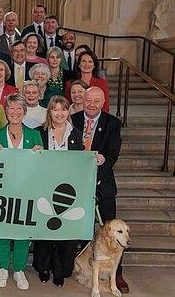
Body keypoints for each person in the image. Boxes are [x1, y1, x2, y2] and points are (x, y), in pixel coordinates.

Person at [71, 86, 128, 293]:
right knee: (77, 224)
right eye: (88, 100)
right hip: (77, 184)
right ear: (82, 100)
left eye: (96, 101)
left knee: (111, 230)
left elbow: (112, 154)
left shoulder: (112, 123)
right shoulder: (73, 119)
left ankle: (117, 273)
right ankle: (82, 265)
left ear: (103, 103)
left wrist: (97, 175)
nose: (92, 104)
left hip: (103, 183)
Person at [0, 93, 43, 291]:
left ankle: (19, 269)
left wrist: (40, 153)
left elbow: (43, 166)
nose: (15, 112)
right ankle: (3, 268)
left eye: (19, 108)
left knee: (22, 231)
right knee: (2, 231)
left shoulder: (35, 136)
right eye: (11, 108)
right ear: (6, 111)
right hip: (2, 192)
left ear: (24, 111)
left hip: (26, 191)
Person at [32, 95, 82, 287]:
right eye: (55, 109)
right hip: (44, 189)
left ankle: (60, 270)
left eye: (63, 109)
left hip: (70, 191)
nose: (59, 113)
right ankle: (43, 267)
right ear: (49, 112)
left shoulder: (76, 135)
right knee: (44, 231)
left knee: (65, 233)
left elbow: (81, 162)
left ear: (68, 111)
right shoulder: (40, 133)